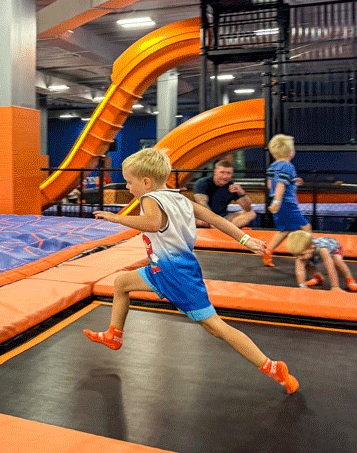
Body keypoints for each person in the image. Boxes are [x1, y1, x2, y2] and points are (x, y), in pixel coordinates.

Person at [84, 148, 299, 394]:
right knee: (122, 283)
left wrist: (117, 219)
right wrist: (244, 239)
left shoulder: (149, 199)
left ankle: (271, 366)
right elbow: (216, 219)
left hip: (176, 274)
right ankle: (115, 334)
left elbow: (152, 223)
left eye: (130, 183)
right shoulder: (180, 198)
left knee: (217, 328)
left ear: (146, 182)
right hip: (165, 269)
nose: (128, 187)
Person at [264, 134, 310, 268]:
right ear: (291, 152)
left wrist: (294, 182)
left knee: (284, 230)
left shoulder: (273, 167)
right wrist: (277, 202)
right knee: (305, 227)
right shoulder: (287, 166)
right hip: (287, 203)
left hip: (279, 202)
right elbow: (280, 184)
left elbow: (270, 185)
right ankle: (307, 255)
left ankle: (267, 252)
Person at [287, 230, 357, 292]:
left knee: (337, 260)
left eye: (301, 254)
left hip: (334, 248)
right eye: (296, 255)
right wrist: (302, 286)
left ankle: (350, 280)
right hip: (313, 252)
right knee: (306, 264)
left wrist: (335, 286)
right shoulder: (302, 252)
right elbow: (299, 271)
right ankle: (318, 278)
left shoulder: (322, 249)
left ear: (311, 248)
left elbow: (330, 268)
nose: (299, 257)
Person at [193, 160, 256, 228]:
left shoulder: (232, 186)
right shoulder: (203, 183)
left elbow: (248, 209)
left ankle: (223, 229)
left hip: (222, 218)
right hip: (204, 217)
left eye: (228, 173)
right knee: (199, 221)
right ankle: (224, 229)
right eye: (222, 172)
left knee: (251, 214)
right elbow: (202, 204)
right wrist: (213, 220)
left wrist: (242, 193)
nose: (225, 176)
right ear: (215, 172)